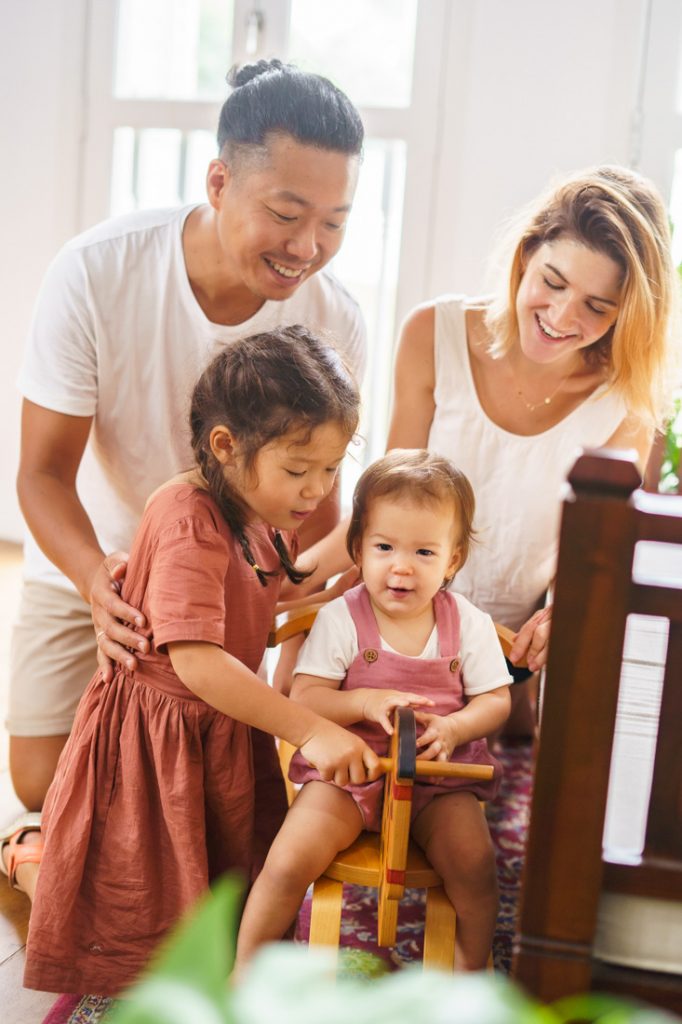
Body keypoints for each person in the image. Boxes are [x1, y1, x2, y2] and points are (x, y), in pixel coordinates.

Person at [2, 58, 366, 898]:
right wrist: (99, 583)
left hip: (237, 574)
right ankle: (30, 846)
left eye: (335, 224)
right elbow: (41, 475)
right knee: (42, 783)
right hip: (107, 554)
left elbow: (319, 503)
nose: (307, 248)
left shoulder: (334, 314)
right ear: (218, 181)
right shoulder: (98, 271)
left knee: (203, 796)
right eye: (286, 213)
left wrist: (290, 610)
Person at [22, 327, 380, 997]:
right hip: (164, 732)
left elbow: (269, 588)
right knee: (129, 897)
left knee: (212, 886)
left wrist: (358, 561)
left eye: (331, 469)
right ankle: (25, 856)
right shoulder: (188, 515)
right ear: (226, 447)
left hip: (216, 724)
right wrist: (308, 727)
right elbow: (198, 661)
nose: (315, 490)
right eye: (299, 470)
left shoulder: (260, 506)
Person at [387, 165, 680, 731]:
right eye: (553, 280)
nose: (563, 317)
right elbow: (388, 500)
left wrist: (561, 608)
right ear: (525, 256)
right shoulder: (433, 334)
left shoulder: (625, 400)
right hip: (399, 621)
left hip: (510, 655)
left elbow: (594, 550)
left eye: (598, 307)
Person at [235, 449, 512, 973]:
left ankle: (471, 974)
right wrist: (362, 702)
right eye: (384, 546)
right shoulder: (343, 618)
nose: (401, 566)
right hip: (346, 775)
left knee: (475, 867)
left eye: (425, 553)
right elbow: (307, 698)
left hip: (437, 780)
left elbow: (497, 700)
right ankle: (245, 968)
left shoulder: (467, 624)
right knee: (287, 859)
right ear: (358, 548)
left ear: (453, 559)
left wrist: (455, 727)